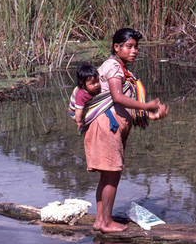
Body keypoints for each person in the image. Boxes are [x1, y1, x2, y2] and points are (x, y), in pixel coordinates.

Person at [70, 28, 169, 233]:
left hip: (111, 128)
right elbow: (117, 98)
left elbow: (123, 107)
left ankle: (100, 221)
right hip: (107, 128)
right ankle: (106, 223)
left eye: (136, 47)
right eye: (129, 46)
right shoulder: (114, 67)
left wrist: (152, 116)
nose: (134, 51)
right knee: (112, 176)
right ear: (117, 47)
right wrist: (148, 106)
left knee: (108, 176)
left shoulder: (121, 69)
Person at [74, 64, 101, 130]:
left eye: (97, 81)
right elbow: (79, 110)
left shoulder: (95, 88)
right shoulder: (81, 95)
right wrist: (79, 121)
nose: (96, 85)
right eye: (92, 83)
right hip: (78, 111)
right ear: (83, 85)